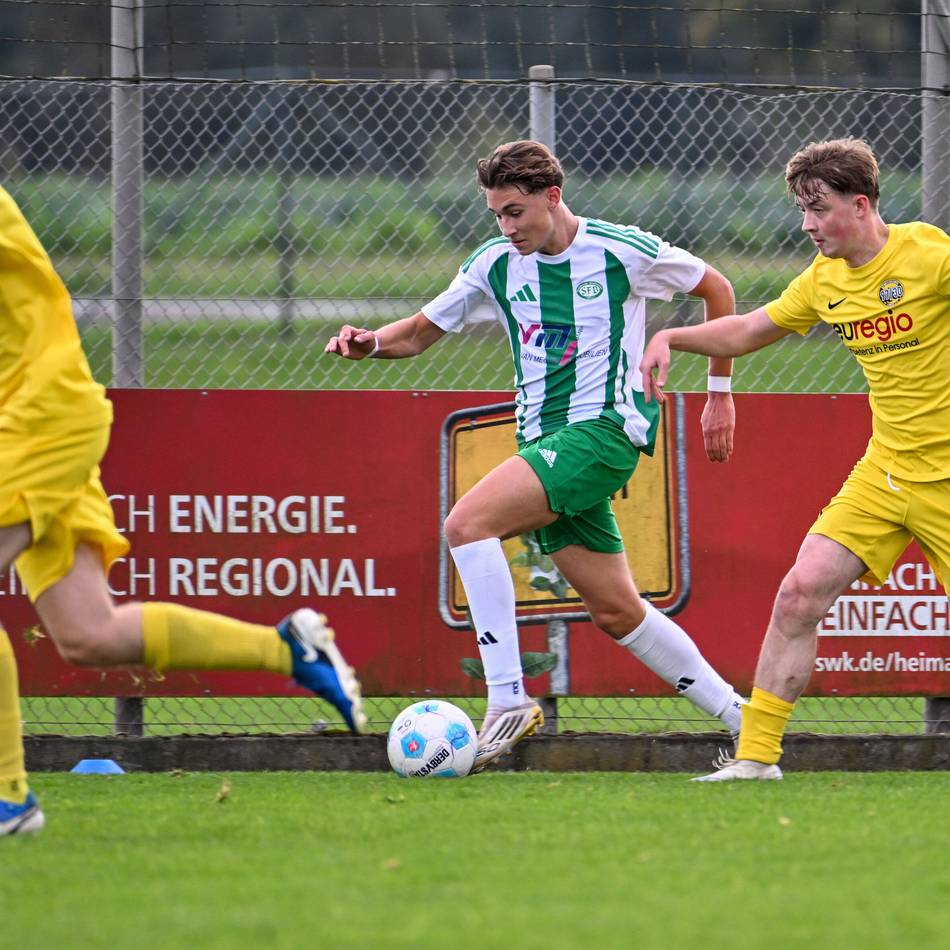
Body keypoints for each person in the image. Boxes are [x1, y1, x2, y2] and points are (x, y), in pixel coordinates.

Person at [326, 139, 746, 772]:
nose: (506, 227)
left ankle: (506, 699)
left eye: (516, 212)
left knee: (466, 525)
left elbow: (718, 289)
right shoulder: (494, 262)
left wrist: (719, 394)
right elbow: (416, 334)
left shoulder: (618, 250)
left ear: (553, 197)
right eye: (497, 213)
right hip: (546, 444)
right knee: (617, 611)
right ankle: (750, 722)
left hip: (604, 432)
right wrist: (368, 345)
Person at [0, 186, 366, 837]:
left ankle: (9, 799)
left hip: (39, 419)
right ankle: (287, 650)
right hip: (31, 419)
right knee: (88, 633)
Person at [640, 137, 950, 781]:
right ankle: (755, 759)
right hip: (887, 472)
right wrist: (672, 334)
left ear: (861, 205)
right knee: (799, 593)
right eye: (801, 210)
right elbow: (750, 329)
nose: (806, 224)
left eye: (819, 208)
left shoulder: (929, 255)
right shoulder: (824, 279)